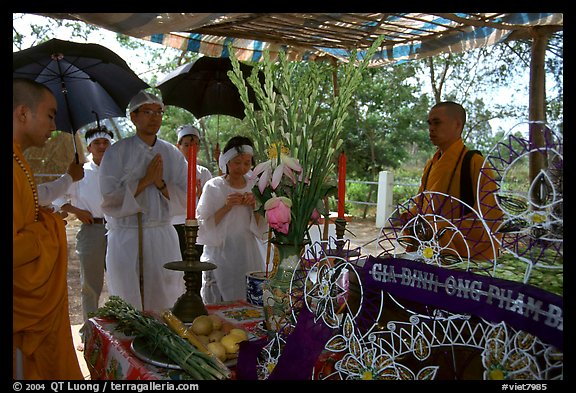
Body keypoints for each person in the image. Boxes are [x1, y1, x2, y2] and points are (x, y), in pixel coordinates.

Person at [13, 78, 84, 379]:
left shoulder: (18, 161)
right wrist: (51, 226)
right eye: (51, 114)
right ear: (23, 113)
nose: (54, 126)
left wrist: (39, 218)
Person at [98, 90, 188, 311]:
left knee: (165, 299)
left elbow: (186, 199)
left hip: (161, 236)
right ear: (134, 117)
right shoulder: (116, 153)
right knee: (129, 299)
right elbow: (109, 199)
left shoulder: (173, 154)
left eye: (159, 112)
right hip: (127, 236)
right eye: (147, 112)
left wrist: (160, 184)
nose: (154, 117)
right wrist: (145, 180)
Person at [405, 101, 502, 261]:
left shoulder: (474, 162)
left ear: (457, 125)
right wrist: (410, 218)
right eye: (430, 123)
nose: (431, 129)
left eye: (437, 123)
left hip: (462, 256)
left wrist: (440, 228)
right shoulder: (431, 164)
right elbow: (421, 205)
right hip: (428, 249)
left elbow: (489, 219)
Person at [53, 127, 114, 344]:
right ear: (89, 147)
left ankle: (118, 329)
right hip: (92, 230)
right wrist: (77, 211)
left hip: (118, 231)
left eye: (105, 143)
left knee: (120, 280)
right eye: (96, 143)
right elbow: (58, 198)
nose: (101, 147)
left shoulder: (117, 170)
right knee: (90, 284)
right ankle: (89, 333)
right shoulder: (81, 173)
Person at [197, 136, 268, 303]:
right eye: (237, 162)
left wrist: (255, 206)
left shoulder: (255, 186)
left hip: (247, 252)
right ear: (227, 161)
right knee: (219, 300)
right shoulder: (214, 186)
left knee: (248, 299)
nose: (242, 167)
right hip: (220, 253)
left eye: (247, 163)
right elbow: (202, 226)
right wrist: (226, 207)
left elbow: (262, 227)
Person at [171, 124, 212, 258]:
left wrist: (200, 195)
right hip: (176, 224)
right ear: (178, 146)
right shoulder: (172, 171)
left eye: (194, 144)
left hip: (198, 225)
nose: (190, 149)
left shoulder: (203, 172)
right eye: (186, 145)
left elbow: (210, 201)